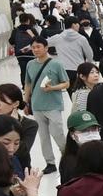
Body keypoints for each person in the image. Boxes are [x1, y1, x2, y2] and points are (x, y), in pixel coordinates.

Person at [24, 36, 71, 176]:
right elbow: (28, 84)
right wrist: (26, 102)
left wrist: (53, 88)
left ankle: (68, 157)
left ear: (46, 48)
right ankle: (50, 163)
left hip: (53, 106)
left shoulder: (56, 64)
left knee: (58, 133)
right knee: (43, 136)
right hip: (37, 105)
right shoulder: (30, 64)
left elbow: (66, 83)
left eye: (38, 47)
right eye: (33, 47)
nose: (35, 50)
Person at [0, 82, 41, 172]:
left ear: (15, 104)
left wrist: (13, 125)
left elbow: (22, 151)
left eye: (2, 100)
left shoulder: (30, 124)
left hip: (18, 170)